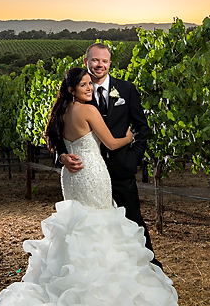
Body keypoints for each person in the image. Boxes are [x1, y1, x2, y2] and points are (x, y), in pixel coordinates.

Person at [0, 67, 180, 306]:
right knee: (99, 227)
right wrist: (132, 134)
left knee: (78, 228)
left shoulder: (62, 111)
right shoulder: (88, 110)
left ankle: (67, 287)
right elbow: (112, 143)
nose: (89, 87)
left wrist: (64, 155)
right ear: (73, 88)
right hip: (90, 173)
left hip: (71, 176)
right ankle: (97, 297)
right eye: (83, 84)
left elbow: (59, 144)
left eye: (90, 84)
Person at [59, 43, 159, 266]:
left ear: (110, 63)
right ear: (86, 62)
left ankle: (148, 267)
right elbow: (56, 133)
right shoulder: (77, 92)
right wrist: (62, 156)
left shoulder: (126, 89)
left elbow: (142, 127)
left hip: (121, 168)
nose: (99, 65)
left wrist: (132, 159)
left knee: (133, 220)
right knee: (91, 224)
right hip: (87, 174)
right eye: (95, 60)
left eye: (104, 61)